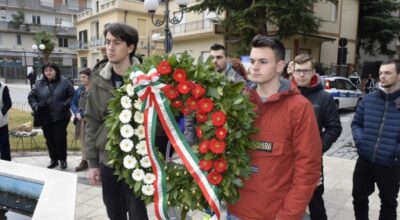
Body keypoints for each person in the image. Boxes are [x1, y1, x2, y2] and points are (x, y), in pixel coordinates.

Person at [227, 35, 322, 220]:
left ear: (280, 66)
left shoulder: (299, 107)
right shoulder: (238, 102)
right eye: (252, 60)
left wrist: (288, 215)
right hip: (236, 210)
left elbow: (308, 169)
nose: (254, 67)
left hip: (274, 214)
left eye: (263, 61)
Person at [84, 23, 148, 220]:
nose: (109, 48)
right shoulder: (99, 79)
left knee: (138, 214)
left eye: (116, 43)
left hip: (137, 162)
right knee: (114, 214)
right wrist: (92, 162)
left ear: (130, 47)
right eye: (107, 42)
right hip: (108, 160)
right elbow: (92, 121)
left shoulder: (147, 78)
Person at [292, 54, 342, 220]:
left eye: (306, 71)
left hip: (311, 162)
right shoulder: (285, 95)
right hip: (285, 160)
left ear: (313, 72)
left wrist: (317, 147)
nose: (302, 75)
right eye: (298, 71)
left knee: (314, 201)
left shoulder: (324, 98)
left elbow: (334, 128)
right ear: (292, 72)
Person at [351, 59, 400, 220]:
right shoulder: (368, 99)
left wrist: (395, 152)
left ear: (398, 75)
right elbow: (356, 123)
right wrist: (361, 141)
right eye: (380, 73)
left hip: (390, 165)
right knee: (358, 197)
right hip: (365, 161)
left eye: (387, 73)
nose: (382, 76)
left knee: (388, 203)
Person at [28, 63, 75, 169]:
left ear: (56, 71)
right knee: (49, 138)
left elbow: (72, 95)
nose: (48, 72)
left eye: (51, 70)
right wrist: (35, 106)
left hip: (61, 115)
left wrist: (64, 105)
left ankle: (63, 159)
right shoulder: (39, 83)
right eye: (46, 71)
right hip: (45, 116)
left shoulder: (64, 82)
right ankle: (53, 159)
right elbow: (31, 96)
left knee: (59, 137)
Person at [70, 68, 91, 172]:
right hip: (80, 120)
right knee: (82, 140)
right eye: (81, 77)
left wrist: (82, 114)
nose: (82, 79)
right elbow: (73, 103)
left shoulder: (94, 90)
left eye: (84, 77)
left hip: (91, 120)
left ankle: (93, 161)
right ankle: (84, 160)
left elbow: (94, 106)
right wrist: (77, 112)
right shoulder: (79, 90)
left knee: (91, 141)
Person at [0, 81, 12, 161]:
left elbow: (8, 103)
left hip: (1, 122)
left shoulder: (3, 87)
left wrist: (0, 113)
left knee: (4, 147)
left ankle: (7, 166)